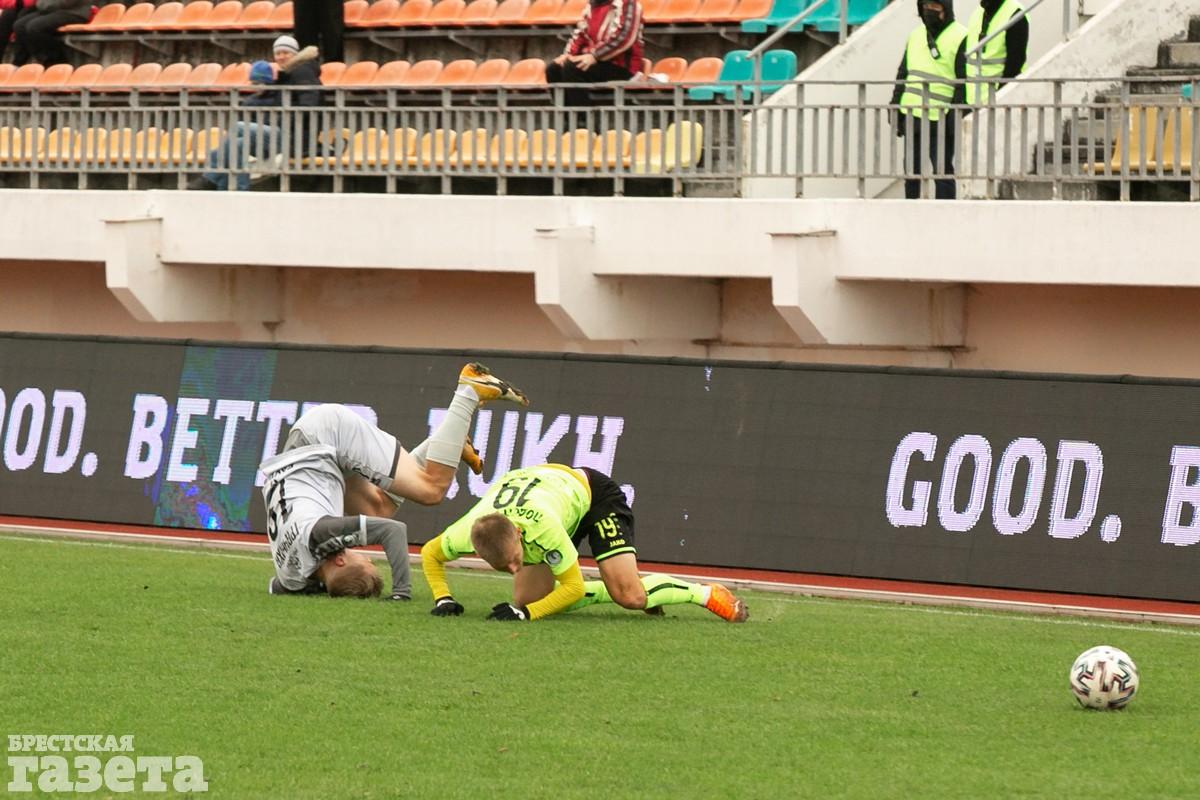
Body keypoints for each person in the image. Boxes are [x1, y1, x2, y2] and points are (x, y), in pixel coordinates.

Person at [261, 363, 530, 599]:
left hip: (325, 436)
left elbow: (393, 531)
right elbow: (277, 587)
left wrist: (401, 591)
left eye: (366, 561)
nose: (366, 555)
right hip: (311, 459)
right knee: (378, 509)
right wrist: (336, 585)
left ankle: (469, 390)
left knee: (431, 490)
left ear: (340, 560)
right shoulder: (292, 578)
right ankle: (449, 442)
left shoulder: (321, 534)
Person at [420, 463, 748, 622]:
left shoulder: (543, 528)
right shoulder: (468, 530)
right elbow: (430, 553)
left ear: (518, 534)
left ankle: (705, 593)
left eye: (516, 560)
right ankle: (624, 584)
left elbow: (574, 588)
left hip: (594, 497)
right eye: (504, 567)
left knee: (630, 597)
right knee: (529, 598)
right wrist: (443, 598)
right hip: (552, 496)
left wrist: (527, 615)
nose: (514, 569)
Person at [188, 35, 323, 192]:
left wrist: (278, 121)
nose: (281, 57)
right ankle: (236, 190)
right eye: (278, 53)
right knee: (235, 145)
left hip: (295, 136)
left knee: (238, 127)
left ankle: (210, 179)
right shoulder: (288, 74)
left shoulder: (302, 71)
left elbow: (308, 105)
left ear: (295, 53)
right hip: (281, 132)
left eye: (286, 52)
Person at [890, 0, 968, 199]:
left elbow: (964, 81)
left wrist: (956, 114)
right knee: (911, 172)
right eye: (925, 7)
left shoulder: (961, 36)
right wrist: (895, 105)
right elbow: (903, 73)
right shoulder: (916, 35)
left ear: (946, 9)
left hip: (940, 116)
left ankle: (945, 212)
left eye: (934, 7)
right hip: (912, 113)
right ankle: (911, 209)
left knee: (942, 173)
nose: (929, 11)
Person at [545, 0, 645, 108]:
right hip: (597, 61)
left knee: (572, 68)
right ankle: (567, 116)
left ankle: (582, 117)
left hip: (622, 67)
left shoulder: (628, 4)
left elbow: (624, 38)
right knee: (554, 69)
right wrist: (568, 55)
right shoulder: (592, 5)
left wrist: (595, 56)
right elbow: (581, 34)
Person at [964, 0, 1028, 106]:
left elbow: (1015, 63)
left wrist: (1000, 98)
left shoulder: (1014, 13)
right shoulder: (977, 13)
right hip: (973, 102)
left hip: (1000, 102)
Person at [9, 0, 90, 66]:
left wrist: (43, 4)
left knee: (35, 27)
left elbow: (66, 2)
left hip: (74, 12)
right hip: (51, 10)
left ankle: (57, 62)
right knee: (19, 26)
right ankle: (21, 63)